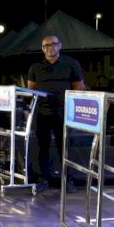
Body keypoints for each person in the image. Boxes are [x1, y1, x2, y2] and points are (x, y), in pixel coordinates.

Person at [26, 35, 85, 189]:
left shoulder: (71, 64)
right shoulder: (35, 67)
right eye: (45, 45)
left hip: (64, 112)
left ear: (60, 46)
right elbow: (31, 89)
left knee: (64, 147)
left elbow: (79, 87)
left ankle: (68, 180)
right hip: (41, 112)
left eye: (53, 44)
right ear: (42, 49)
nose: (49, 48)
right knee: (42, 147)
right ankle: (43, 180)